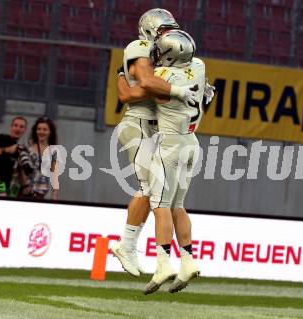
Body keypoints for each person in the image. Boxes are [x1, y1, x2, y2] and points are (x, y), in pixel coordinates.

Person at [111, 8, 201, 277]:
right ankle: (126, 246)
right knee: (150, 188)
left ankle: (128, 246)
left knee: (155, 191)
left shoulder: (173, 57)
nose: (168, 35)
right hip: (138, 123)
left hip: (155, 128)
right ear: (150, 31)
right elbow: (147, 83)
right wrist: (180, 91)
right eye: (163, 30)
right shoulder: (139, 47)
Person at [143, 30, 205, 295]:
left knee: (160, 205)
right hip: (192, 143)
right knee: (178, 205)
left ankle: (163, 262)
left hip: (170, 144)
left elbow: (145, 86)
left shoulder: (162, 77)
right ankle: (188, 260)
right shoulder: (200, 66)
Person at [16, 117, 59, 200]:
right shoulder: (28, 146)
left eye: (45, 129)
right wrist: (24, 185)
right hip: (26, 193)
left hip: (41, 194)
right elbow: (19, 168)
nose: (41, 132)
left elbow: (54, 174)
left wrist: (55, 194)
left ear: (50, 132)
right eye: (39, 129)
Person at [0, 116, 27, 196]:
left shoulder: (19, 148)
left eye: (21, 127)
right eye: (15, 125)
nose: (18, 128)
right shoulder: (1, 138)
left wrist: (25, 186)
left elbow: (19, 171)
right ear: (11, 127)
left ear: (25, 130)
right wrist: (6, 150)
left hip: (8, 186)